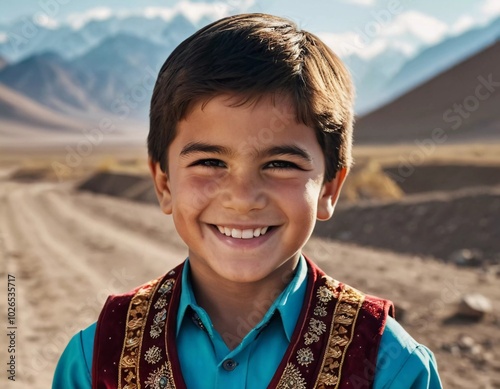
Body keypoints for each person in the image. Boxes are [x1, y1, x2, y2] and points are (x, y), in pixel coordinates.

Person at [53, 13, 442, 389]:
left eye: (279, 164)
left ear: (329, 189)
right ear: (164, 184)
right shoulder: (96, 359)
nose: (242, 198)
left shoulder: (389, 366)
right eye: (210, 162)